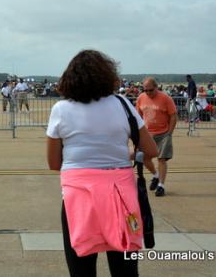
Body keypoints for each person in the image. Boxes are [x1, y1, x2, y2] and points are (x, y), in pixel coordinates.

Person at [46, 50, 157, 277]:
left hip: (78, 198)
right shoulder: (123, 105)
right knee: (125, 268)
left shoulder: (61, 109)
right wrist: (123, 154)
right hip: (121, 196)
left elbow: (54, 163)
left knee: (81, 268)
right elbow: (151, 150)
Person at [136, 77, 178, 197]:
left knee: (161, 159)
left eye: (150, 90)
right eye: (146, 90)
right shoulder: (141, 98)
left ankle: (161, 186)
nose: (148, 93)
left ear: (156, 87)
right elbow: (138, 115)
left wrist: (170, 133)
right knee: (144, 157)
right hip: (147, 134)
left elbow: (173, 116)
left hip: (164, 133)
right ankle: (155, 175)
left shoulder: (166, 98)